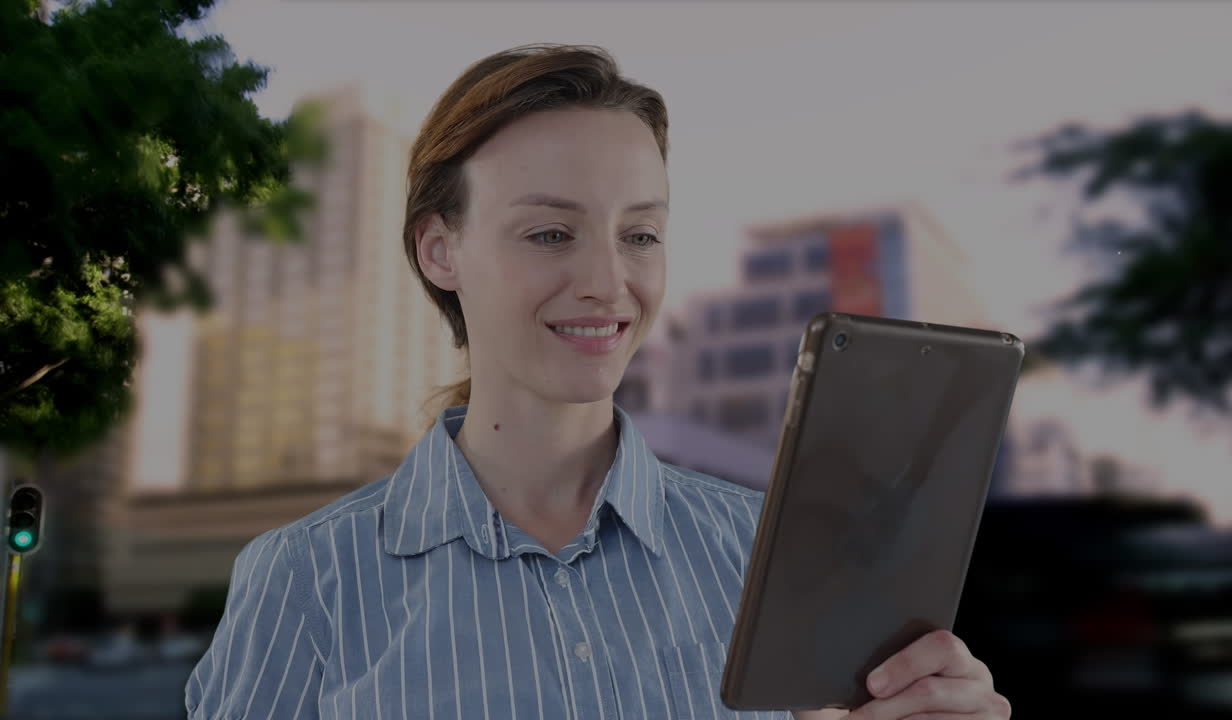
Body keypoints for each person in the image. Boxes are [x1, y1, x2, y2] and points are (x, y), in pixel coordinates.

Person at [184, 44, 1011, 720]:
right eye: (551, 233)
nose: (609, 283)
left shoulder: (767, 554)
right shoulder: (305, 578)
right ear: (440, 250)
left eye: (641, 234)